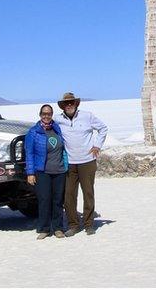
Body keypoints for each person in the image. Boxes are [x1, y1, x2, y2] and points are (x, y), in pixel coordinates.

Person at [54, 91, 107, 236]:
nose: (69, 105)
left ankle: (89, 224)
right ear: (63, 106)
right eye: (66, 103)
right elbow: (45, 127)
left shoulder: (87, 116)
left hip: (87, 161)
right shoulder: (57, 119)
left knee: (88, 193)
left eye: (72, 102)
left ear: (76, 103)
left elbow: (103, 128)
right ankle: (73, 225)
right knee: (69, 196)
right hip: (69, 163)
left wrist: (97, 145)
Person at [24, 104, 68, 240]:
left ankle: (58, 228)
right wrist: (30, 173)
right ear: (40, 115)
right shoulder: (33, 132)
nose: (46, 116)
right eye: (44, 113)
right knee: (44, 200)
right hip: (42, 171)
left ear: (52, 114)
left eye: (49, 113)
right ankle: (44, 228)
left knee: (58, 200)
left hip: (59, 170)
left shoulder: (57, 128)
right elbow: (29, 153)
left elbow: (64, 147)